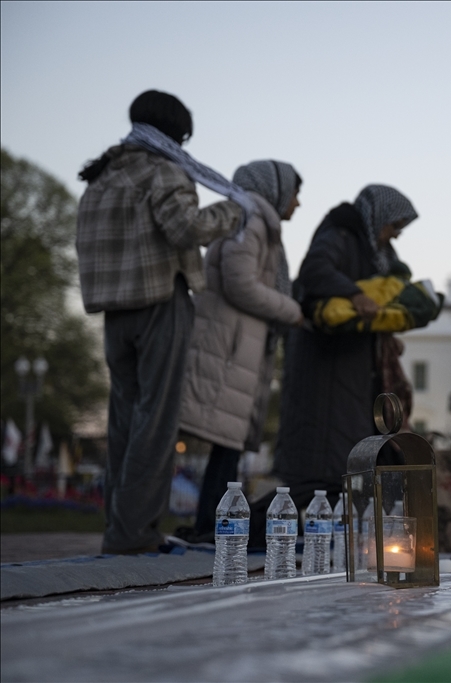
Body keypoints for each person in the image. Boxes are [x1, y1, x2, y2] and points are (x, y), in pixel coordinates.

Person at [77, 90, 251, 553]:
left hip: (115, 312)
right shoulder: (163, 170)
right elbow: (186, 228)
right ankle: (134, 535)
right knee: (156, 424)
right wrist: (236, 209)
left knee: (123, 424)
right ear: (176, 134)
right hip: (160, 302)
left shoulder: (101, 177)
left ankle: (119, 528)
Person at [248, 185, 418, 544]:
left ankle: (340, 540)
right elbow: (315, 273)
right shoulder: (340, 234)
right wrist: (353, 296)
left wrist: (383, 334)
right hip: (323, 366)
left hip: (353, 367)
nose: (396, 235)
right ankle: (250, 530)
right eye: (393, 226)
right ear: (378, 217)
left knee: (347, 462)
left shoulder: (376, 249)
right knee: (319, 468)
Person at [177, 160, 305, 542]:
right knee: (223, 444)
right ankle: (206, 527)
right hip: (229, 346)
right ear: (275, 189)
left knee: (227, 445)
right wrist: (292, 310)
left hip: (238, 345)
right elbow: (239, 283)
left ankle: (210, 525)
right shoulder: (249, 221)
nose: (297, 204)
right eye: (295, 193)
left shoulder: (255, 222)